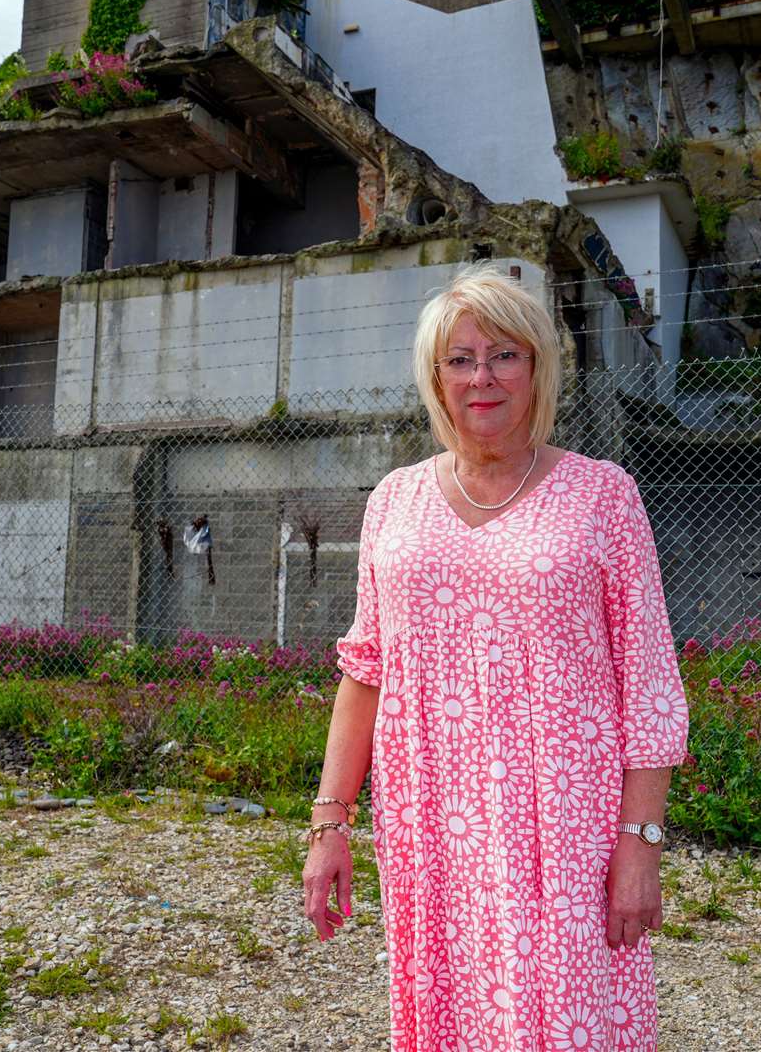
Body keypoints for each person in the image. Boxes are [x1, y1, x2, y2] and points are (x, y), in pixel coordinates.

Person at [302, 265, 689, 1050]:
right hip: (431, 827)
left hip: (567, 833)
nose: (482, 377)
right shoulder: (394, 502)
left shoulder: (602, 497)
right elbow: (365, 671)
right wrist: (329, 822)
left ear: (539, 367)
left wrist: (640, 843)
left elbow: (648, 682)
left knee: (573, 1022)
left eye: (505, 354)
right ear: (435, 377)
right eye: (460, 358)